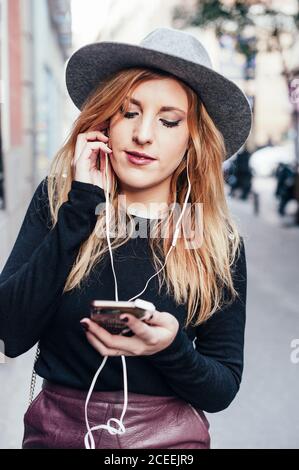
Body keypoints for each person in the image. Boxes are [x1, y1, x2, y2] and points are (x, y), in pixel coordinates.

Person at [0, 27, 251, 449]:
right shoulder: (59, 201)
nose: (143, 135)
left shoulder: (216, 239)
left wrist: (170, 347)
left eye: (168, 120)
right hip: (59, 434)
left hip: (169, 444)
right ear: (104, 121)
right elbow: (11, 333)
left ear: (193, 140)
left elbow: (221, 388)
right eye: (129, 112)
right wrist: (80, 209)